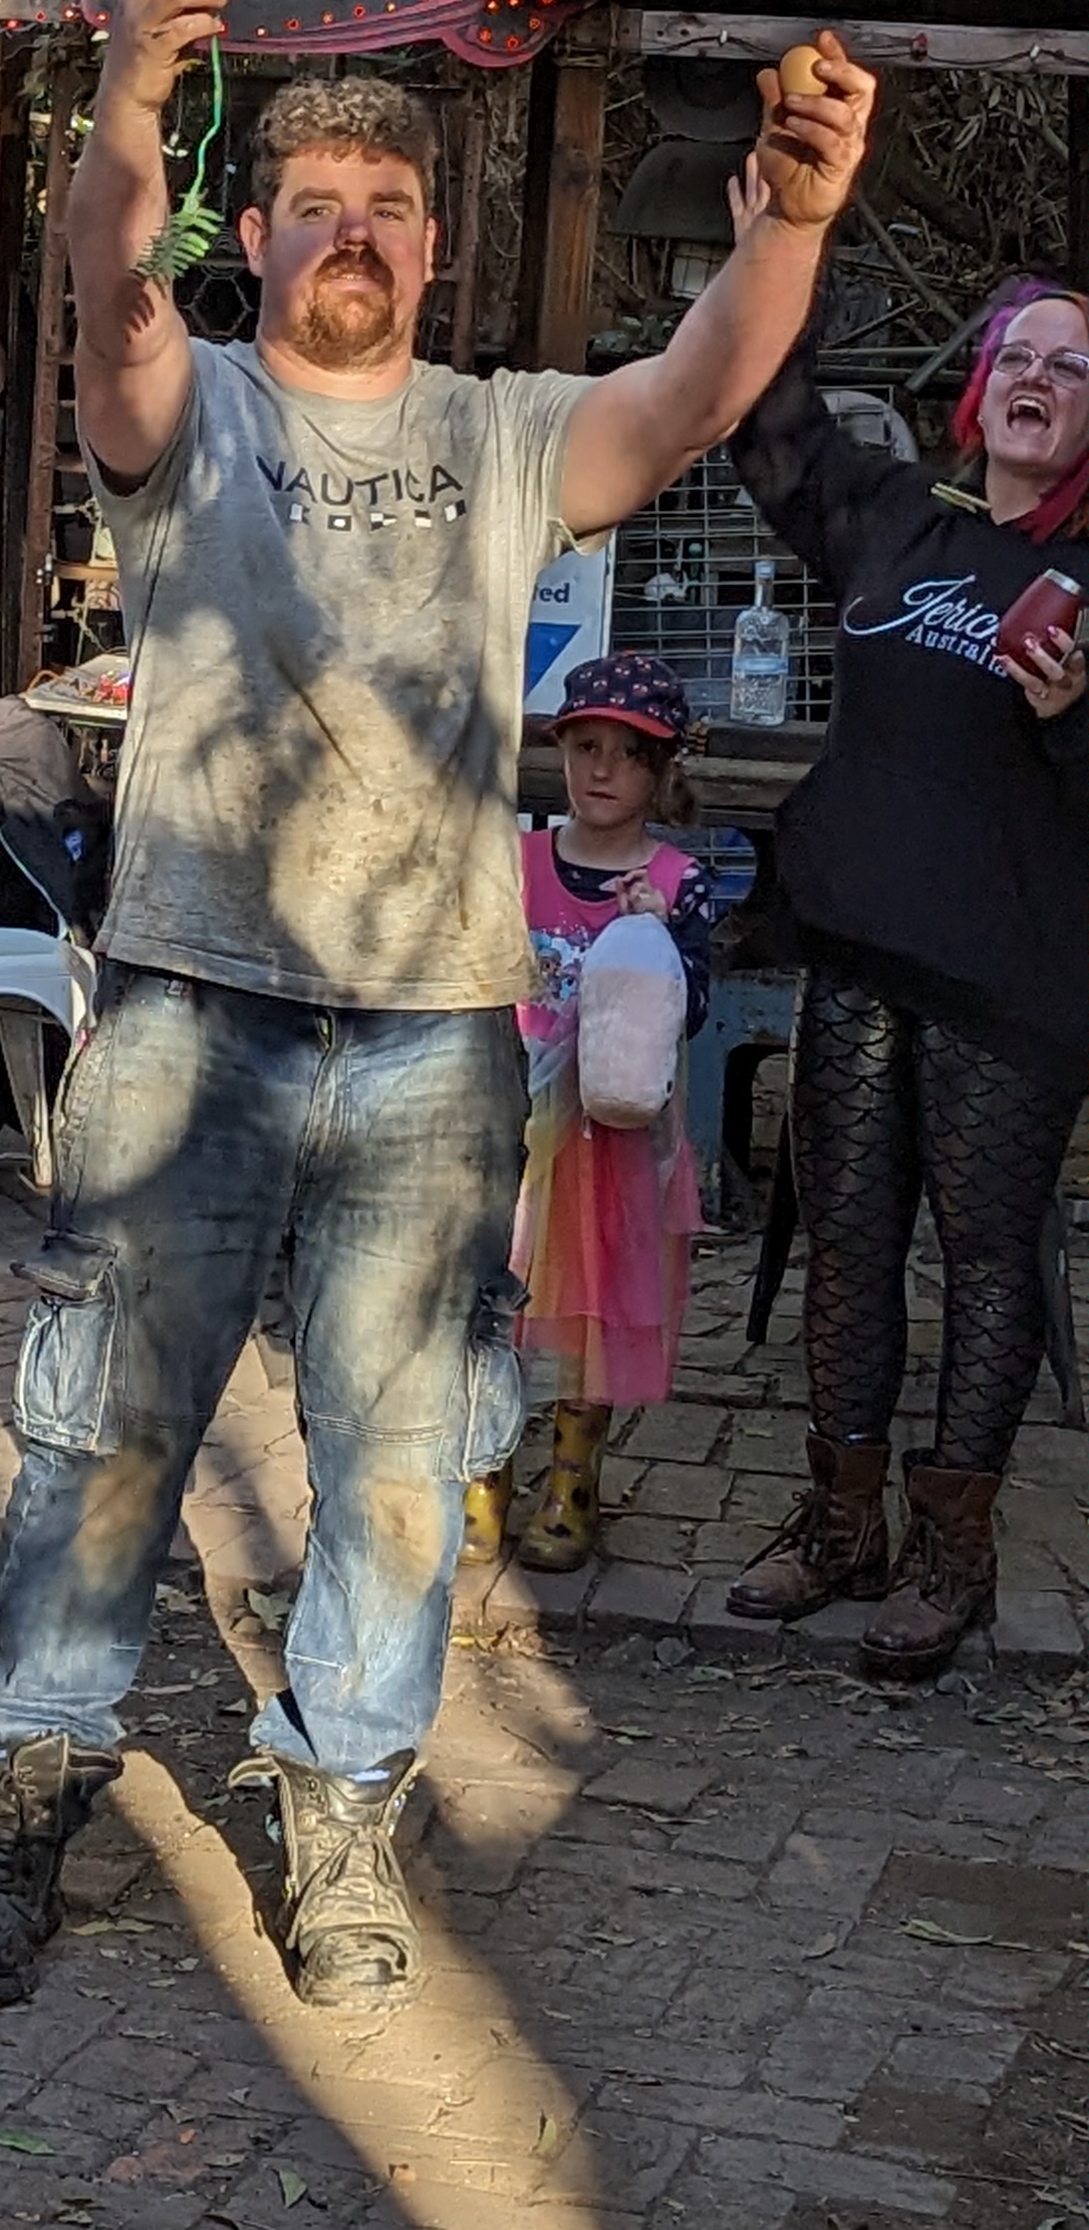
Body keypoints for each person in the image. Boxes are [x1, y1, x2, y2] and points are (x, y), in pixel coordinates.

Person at [0, 0, 875, 2021]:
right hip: (189, 1010)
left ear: (433, 251)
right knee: (108, 1430)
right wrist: (127, 91)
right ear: (256, 241)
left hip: (434, 1038)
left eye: (386, 208)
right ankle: (26, 1779)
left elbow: (695, 389)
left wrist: (795, 223)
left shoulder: (502, 434)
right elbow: (101, 279)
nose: (352, 234)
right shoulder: (190, 409)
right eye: (313, 208)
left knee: (390, 1461)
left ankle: (341, 1800)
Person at [724, 268, 1089, 1679]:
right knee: (848, 1243)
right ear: (980, 388)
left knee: (987, 1259)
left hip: (1011, 980)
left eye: (1073, 366)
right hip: (859, 944)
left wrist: (1073, 720)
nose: (1040, 377)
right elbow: (772, 432)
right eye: (1021, 355)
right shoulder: (897, 519)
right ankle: (840, 1523)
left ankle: (953, 1550)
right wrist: (788, 256)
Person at [468, 652, 714, 1576]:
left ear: (662, 769)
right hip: (510, 1130)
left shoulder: (676, 879)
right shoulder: (517, 861)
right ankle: (483, 1469)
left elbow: (690, 1010)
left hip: (611, 1143)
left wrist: (655, 934)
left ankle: (571, 1481)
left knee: (598, 1310)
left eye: (628, 754)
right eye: (585, 748)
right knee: (492, 1295)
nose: (602, 771)